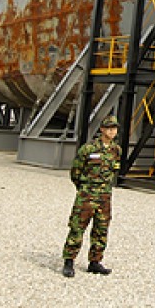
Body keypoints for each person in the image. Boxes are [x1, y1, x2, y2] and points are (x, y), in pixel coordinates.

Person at [62, 115, 122, 277]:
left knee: (101, 229)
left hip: (105, 197)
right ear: (102, 129)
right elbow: (76, 171)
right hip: (87, 195)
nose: (112, 131)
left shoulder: (116, 150)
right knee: (77, 228)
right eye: (109, 128)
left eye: (114, 128)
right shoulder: (88, 149)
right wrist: (84, 188)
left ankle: (95, 262)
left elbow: (113, 172)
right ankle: (69, 261)